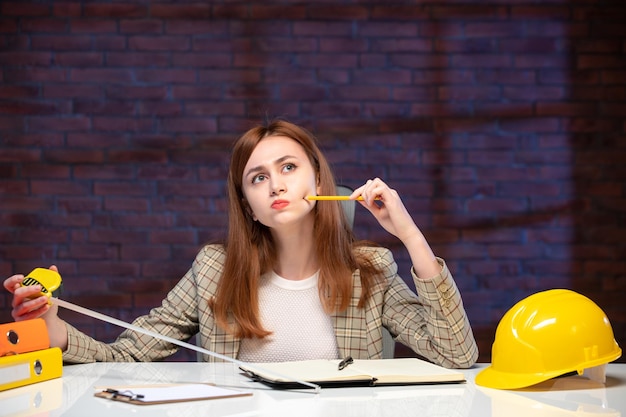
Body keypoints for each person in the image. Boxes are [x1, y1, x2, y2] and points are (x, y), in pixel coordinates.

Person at [4, 119, 478, 368]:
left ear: (317, 177)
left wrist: (410, 235)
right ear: (249, 205)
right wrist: (54, 328)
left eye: (289, 168)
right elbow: (128, 354)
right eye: (258, 177)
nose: (276, 184)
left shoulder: (370, 268)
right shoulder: (214, 268)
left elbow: (457, 355)